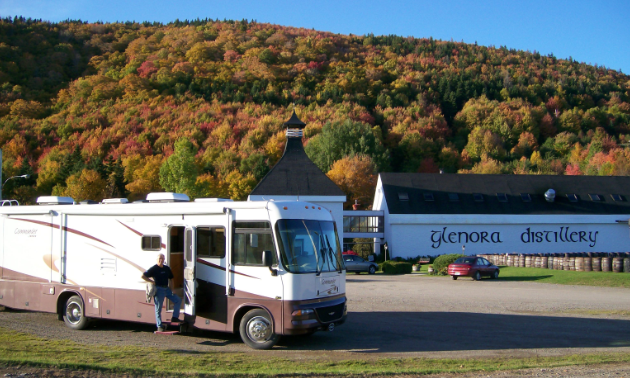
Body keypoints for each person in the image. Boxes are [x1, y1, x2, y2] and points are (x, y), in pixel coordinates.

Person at [141, 253, 182, 332]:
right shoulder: (154, 268)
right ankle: (159, 326)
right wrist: (151, 282)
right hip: (159, 289)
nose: (161, 260)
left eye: (162, 258)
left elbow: (171, 279)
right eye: (159, 258)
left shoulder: (166, 268)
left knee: (178, 300)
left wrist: (172, 289)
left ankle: (175, 317)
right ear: (157, 260)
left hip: (166, 289)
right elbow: (143, 276)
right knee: (158, 308)